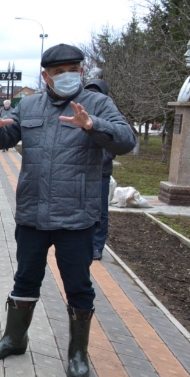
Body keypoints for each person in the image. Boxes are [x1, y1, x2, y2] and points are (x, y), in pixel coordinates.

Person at [0, 44, 135, 377]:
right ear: (46, 75)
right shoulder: (29, 104)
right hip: (32, 212)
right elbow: (6, 137)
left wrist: (93, 125)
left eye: (73, 69)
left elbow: (125, 140)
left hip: (75, 216)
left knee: (78, 285)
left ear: (81, 70)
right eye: (59, 71)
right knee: (25, 277)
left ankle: (78, 351)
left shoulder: (97, 103)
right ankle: (15, 338)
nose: (67, 76)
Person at [84, 79, 115, 260]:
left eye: (97, 93)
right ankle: (84, 243)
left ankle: (97, 246)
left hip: (101, 173)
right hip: (80, 173)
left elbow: (112, 147)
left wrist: (94, 162)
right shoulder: (79, 114)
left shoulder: (109, 115)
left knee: (101, 212)